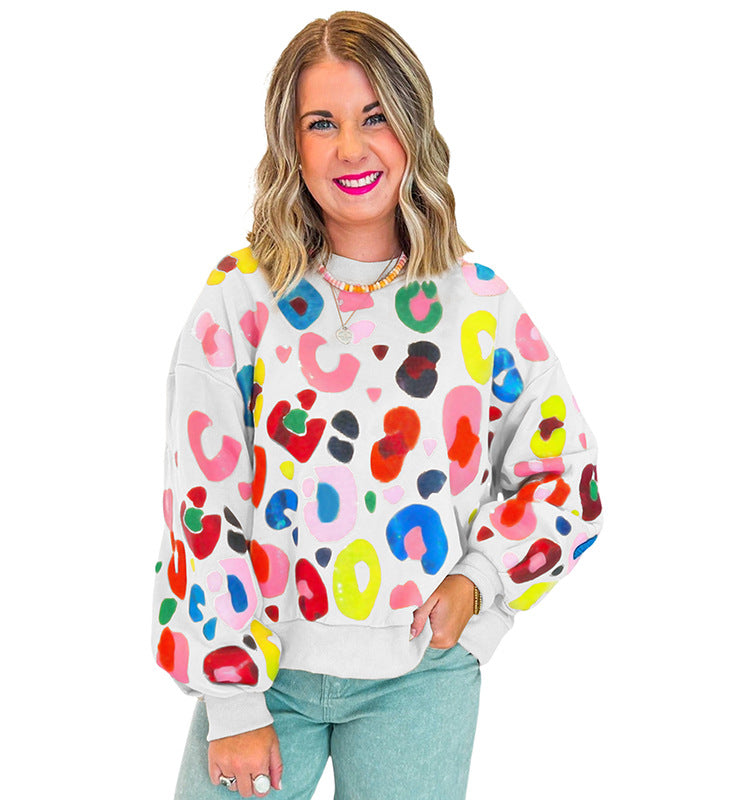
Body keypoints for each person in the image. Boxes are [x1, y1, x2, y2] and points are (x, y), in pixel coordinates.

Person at [151, 10, 603, 800]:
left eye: (375, 117)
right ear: (291, 143)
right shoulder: (242, 297)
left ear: (412, 128)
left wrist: (479, 586)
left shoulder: (476, 302)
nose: (351, 148)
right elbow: (203, 500)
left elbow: (568, 473)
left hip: (422, 676)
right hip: (266, 672)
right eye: (321, 123)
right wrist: (233, 701)